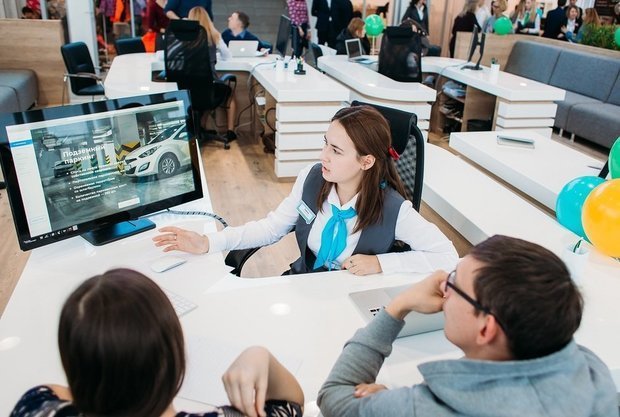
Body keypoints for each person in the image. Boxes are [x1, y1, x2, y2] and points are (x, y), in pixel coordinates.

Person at [317, 235, 618, 417]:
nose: (443, 286)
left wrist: (399, 305)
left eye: (454, 282)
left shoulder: (430, 407)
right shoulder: (591, 368)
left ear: (486, 329)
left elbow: (334, 397)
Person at [154, 105, 458, 276]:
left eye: (336, 150)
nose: (323, 156)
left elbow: (447, 256)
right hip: (304, 284)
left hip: (354, 303)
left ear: (366, 161)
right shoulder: (311, 180)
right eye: (325, 143)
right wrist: (208, 242)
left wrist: (382, 263)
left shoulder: (394, 209)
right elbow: (271, 228)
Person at [9, 269, 304, 417]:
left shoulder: (37, 405)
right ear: (174, 360)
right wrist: (259, 354)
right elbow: (290, 404)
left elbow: (59, 390)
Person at [188, 6, 238, 142]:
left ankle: (200, 128)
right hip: (207, 89)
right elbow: (227, 56)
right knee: (228, 92)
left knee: (202, 96)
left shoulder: (184, 37)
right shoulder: (214, 35)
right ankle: (230, 132)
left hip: (187, 91)